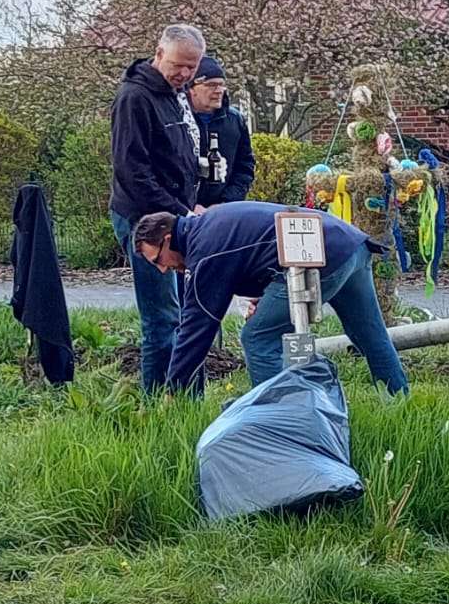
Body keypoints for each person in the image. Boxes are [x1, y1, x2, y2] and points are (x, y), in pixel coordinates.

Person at [131, 201, 408, 397]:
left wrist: (174, 389)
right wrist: (267, 294)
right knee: (370, 334)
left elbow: (196, 327)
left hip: (321, 256)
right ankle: (400, 402)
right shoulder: (207, 228)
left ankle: (280, 421)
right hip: (350, 246)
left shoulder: (204, 253)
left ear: (168, 238)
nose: (163, 269)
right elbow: (258, 247)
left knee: (258, 336)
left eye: (159, 259)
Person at [109, 23, 206, 392]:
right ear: (159, 53)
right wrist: (181, 214)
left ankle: (183, 396)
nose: (185, 74)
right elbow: (132, 172)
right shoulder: (134, 98)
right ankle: (158, 401)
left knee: (184, 313)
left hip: (175, 215)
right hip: (146, 222)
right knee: (163, 318)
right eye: (179, 65)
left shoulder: (174, 94)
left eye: (192, 67)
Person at [190, 55, 255, 208]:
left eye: (221, 85)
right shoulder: (176, 120)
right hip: (183, 212)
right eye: (211, 84)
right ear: (191, 88)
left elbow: (245, 167)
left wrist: (226, 203)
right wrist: (189, 205)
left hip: (223, 211)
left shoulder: (235, 120)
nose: (219, 91)